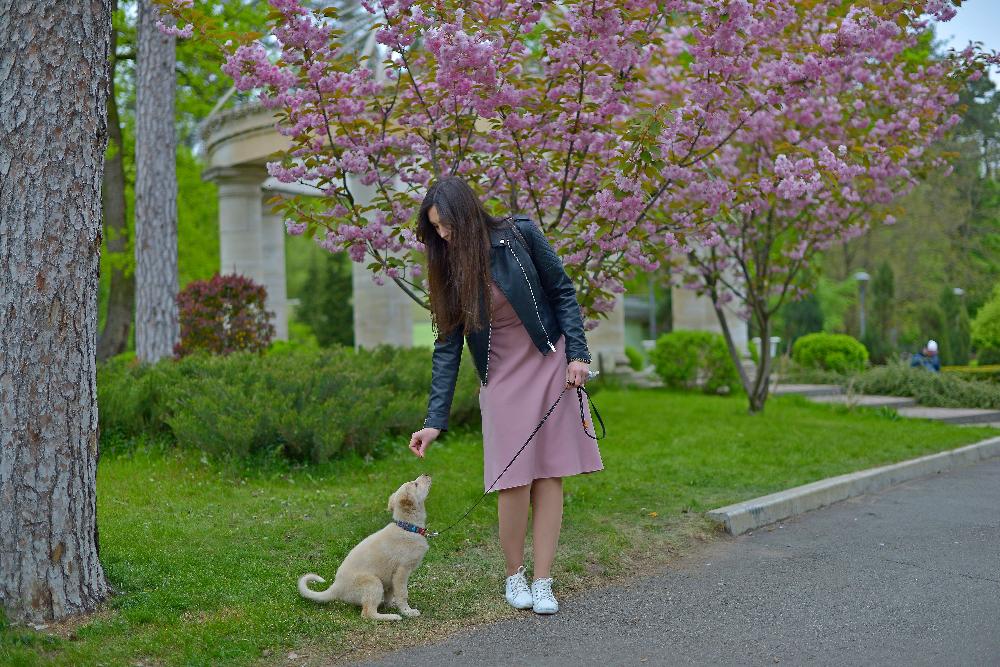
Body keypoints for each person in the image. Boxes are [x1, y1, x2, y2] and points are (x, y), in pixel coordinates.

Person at [408, 177, 603, 615]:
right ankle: (514, 575)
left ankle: (543, 580)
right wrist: (434, 421)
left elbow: (562, 291)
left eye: (445, 226)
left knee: (550, 473)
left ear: (465, 213)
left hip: (547, 361)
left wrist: (578, 354)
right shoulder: (446, 267)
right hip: (500, 377)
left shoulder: (519, 235)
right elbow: (446, 347)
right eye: (435, 229)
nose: (442, 236)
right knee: (512, 479)